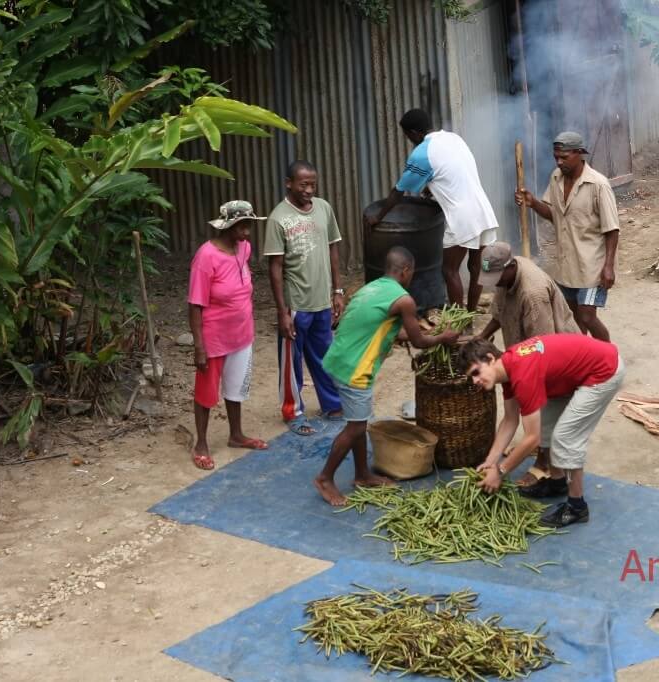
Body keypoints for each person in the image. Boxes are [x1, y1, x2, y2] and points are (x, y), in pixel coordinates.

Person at [314, 247, 460, 506]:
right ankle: (325, 478)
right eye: (412, 272)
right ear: (405, 271)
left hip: (340, 358)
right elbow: (418, 340)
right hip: (355, 368)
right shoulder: (404, 300)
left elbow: (385, 327)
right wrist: (443, 338)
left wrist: (419, 335)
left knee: (357, 420)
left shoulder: (373, 288)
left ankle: (361, 474)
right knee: (356, 426)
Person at [459, 334, 626, 527]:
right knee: (546, 423)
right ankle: (557, 482)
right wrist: (490, 461)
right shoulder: (508, 369)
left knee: (565, 438)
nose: (474, 381)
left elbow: (532, 439)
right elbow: (510, 420)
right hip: (576, 372)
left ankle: (577, 507)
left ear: (490, 358)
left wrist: (501, 471)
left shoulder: (522, 372)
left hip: (604, 370)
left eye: (475, 373)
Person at [472, 241, 581, 490]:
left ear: (510, 267)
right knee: (532, 409)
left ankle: (544, 464)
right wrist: (482, 337)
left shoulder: (532, 294)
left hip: (551, 352)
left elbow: (543, 349)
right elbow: (499, 315)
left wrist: (500, 469)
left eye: (497, 277)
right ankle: (544, 454)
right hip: (524, 353)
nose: (495, 282)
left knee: (546, 407)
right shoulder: (505, 278)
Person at [366, 108, 498, 312]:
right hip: (483, 210)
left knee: (449, 270)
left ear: (414, 133)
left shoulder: (421, 153)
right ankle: (470, 316)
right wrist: (433, 189)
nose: (409, 140)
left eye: (408, 135)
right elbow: (450, 173)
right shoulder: (453, 139)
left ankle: (459, 325)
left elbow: (398, 192)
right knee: (475, 268)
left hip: (462, 217)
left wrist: (378, 216)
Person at [515, 131, 620, 341]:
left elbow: (612, 229)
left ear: (580, 154)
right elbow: (553, 215)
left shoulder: (598, 185)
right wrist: (533, 202)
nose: (559, 161)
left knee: (588, 317)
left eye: (564, 157)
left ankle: (609, 358)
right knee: (571, 321)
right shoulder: (556, 178)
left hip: (592, 267)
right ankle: (581, 360)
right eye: (556, 157)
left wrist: (608, 266)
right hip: (566, 266)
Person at [188, 200, 269, 470]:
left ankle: (236, 434)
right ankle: (201, 442)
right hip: (214, 337)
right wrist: (199, 346)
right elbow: (195, 304)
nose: (247, 232)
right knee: (206, 392)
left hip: (242, 332)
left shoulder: (244, 249)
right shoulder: (206, 256)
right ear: (228, 226)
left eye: (249, 225)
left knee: (235, 387)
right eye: (242, 226)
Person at [265, 160, 344, 436]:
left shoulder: (324, 209)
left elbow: (333, 249)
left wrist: (337, 291)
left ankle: (333, 405)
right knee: (292, 361)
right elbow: (275, 267)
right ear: (289, 183)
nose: (309, 189)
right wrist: (282, 311)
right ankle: (293, 411)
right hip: (296, 304)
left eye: (313, 184)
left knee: (325, 357)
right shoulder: (278, 218)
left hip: (322, 299)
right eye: (303, 184)